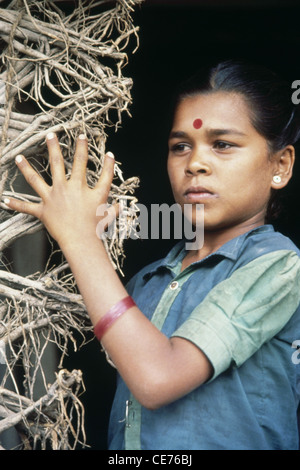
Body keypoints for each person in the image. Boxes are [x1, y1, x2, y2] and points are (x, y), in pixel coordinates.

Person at [4, 60, 300, 450]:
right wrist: (92, 235)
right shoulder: (148, 280)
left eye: (223, 144)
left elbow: (157, 378)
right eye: (180, 146)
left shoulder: (279, 266)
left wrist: (80, 240)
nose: (195, 163)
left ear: (280, 166)